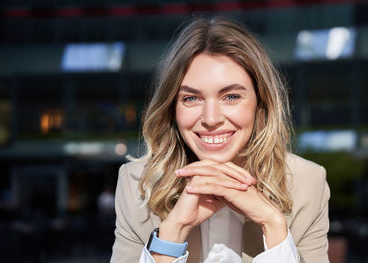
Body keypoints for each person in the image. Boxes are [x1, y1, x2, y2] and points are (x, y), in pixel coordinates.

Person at [111, 16, 330, 263]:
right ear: (172, 107)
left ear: (261, 104)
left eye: (231, 96)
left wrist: (273, 225)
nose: (211, 119)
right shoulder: (136, 183)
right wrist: (173, 232)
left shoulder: (307, 183)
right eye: (191, 98)